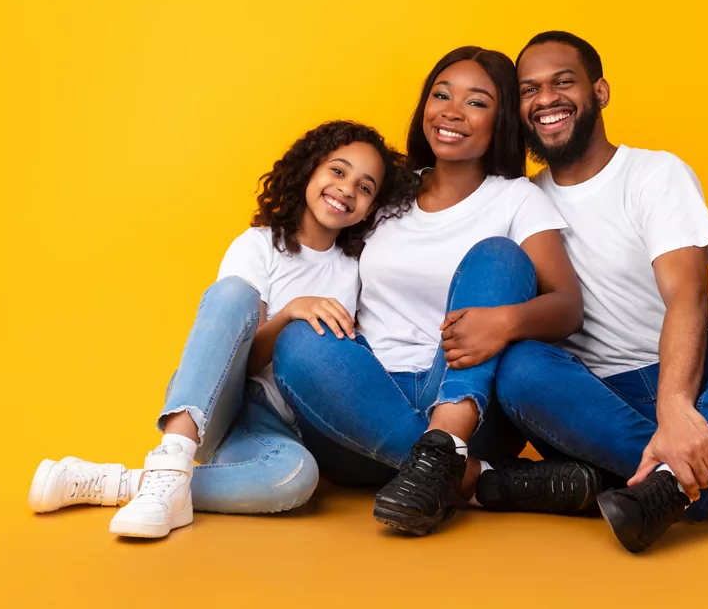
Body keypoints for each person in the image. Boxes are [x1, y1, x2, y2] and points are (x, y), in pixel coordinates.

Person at [480, 31, 708, 553]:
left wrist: (676, 406)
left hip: (694, 386)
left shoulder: (654, 174)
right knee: (520, 369)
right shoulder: (518, 200)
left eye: (563, 82)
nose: (546, 99)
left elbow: (688, 297)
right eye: (529, 89)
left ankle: (671, 482)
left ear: (601, 92)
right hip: (585, 404)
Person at [27, 120, 416, 538]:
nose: (346, 189)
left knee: (298, 478)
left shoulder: (355, 269)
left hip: (283, 425)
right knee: (234, 293)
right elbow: (239, 359)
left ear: (372, 207)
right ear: (310, 170)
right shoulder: (258, 245)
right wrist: (288, 315)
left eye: (365, 187)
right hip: (221, 399)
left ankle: (123, 482)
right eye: (337, 171)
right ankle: (173, 455)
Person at [272, 46, 584, 535]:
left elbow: (568, 307)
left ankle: (446, 451)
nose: (453, 111)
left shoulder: (516, 198)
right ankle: (472, 478)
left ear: (501, 119)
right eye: (441, 95)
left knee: (498, 255)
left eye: (477, 102)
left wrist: (503, 322)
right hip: (365, 414)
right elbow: (317, 240)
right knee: (297, 340)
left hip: (466, 399)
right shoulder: (384, 192)